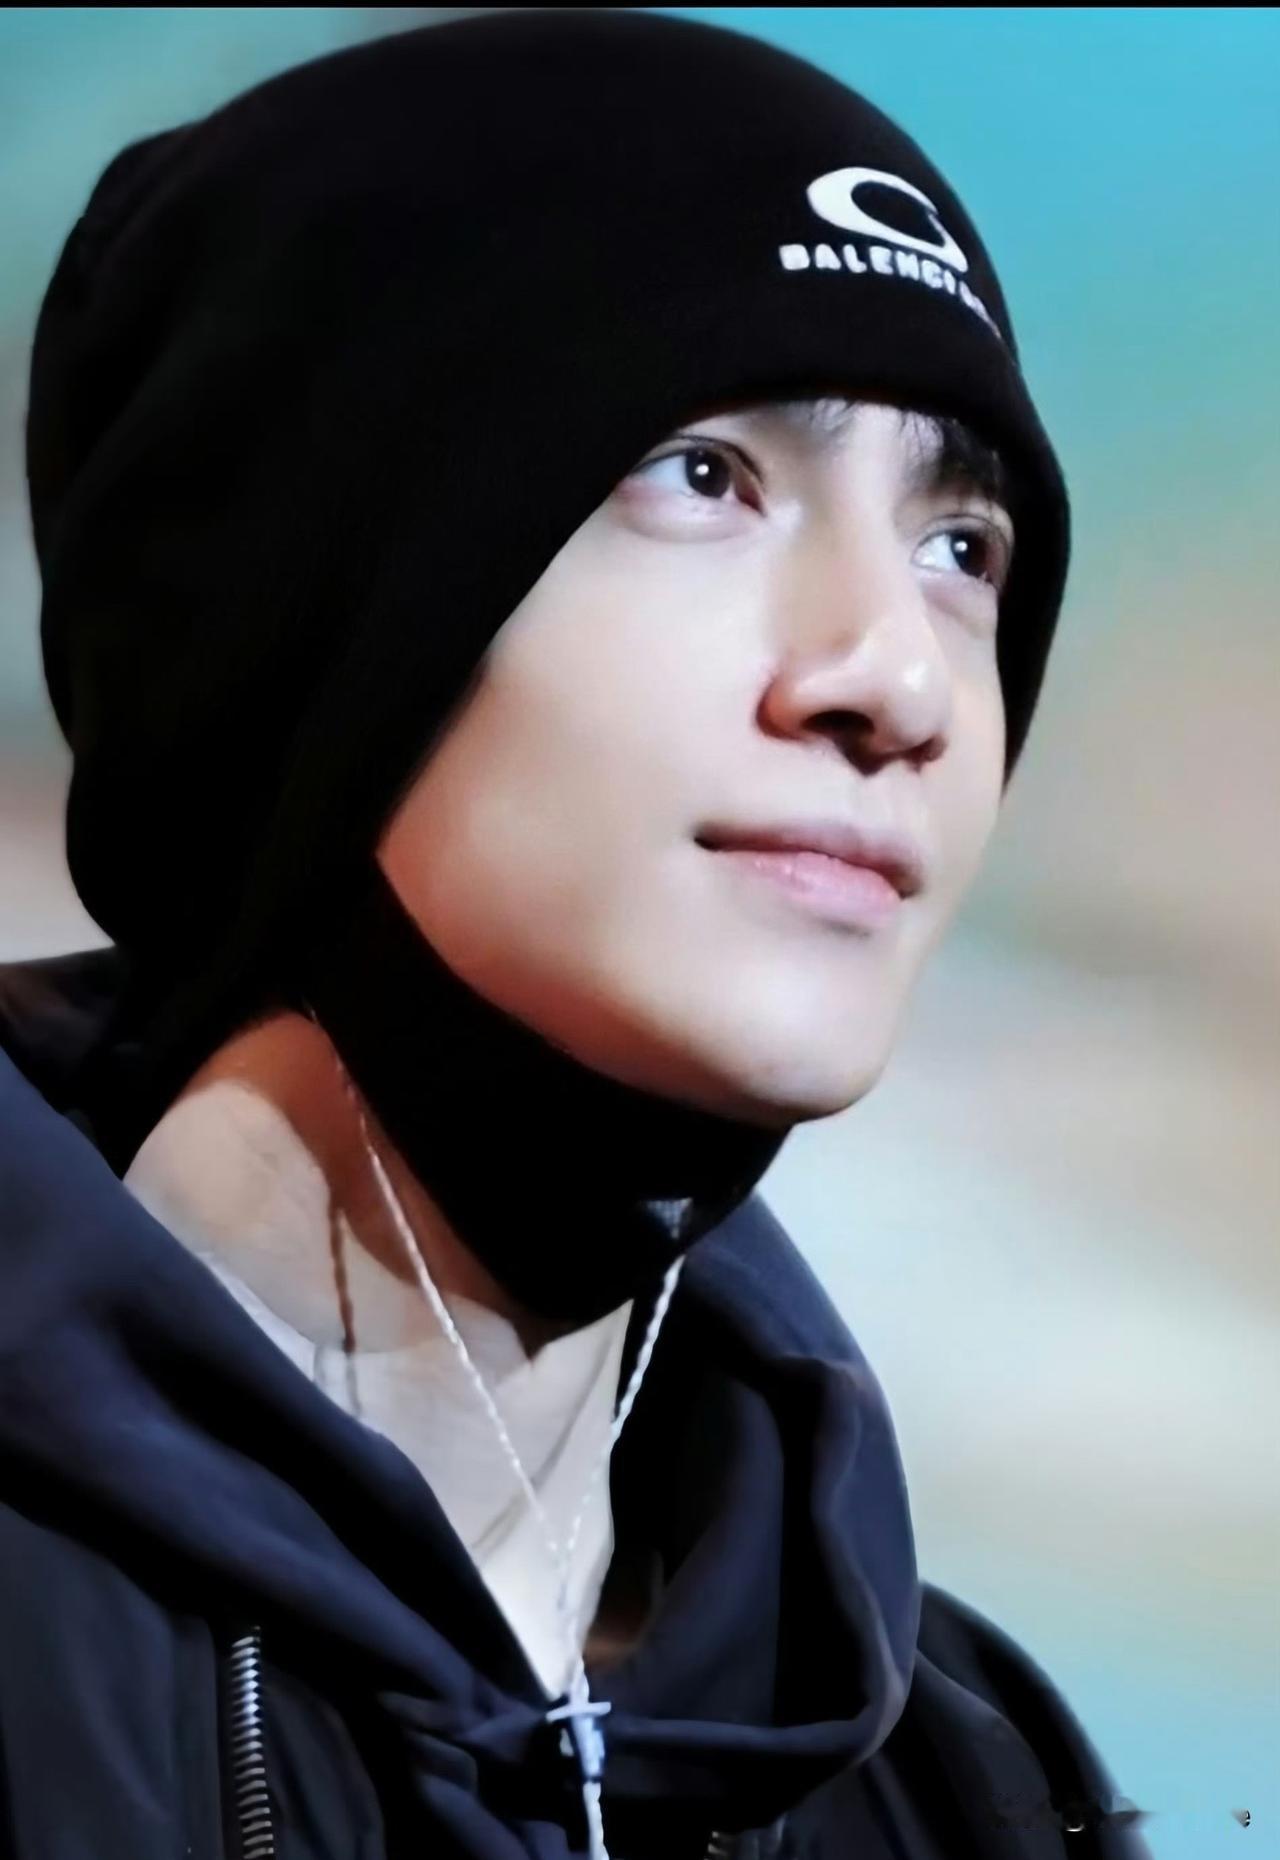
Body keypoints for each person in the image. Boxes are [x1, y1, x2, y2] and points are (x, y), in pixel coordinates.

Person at [0, 10, 1153, 1858]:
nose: (899, 679)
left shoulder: (970, 1779)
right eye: (702, 474)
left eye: (964, 546)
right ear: (300, 603)